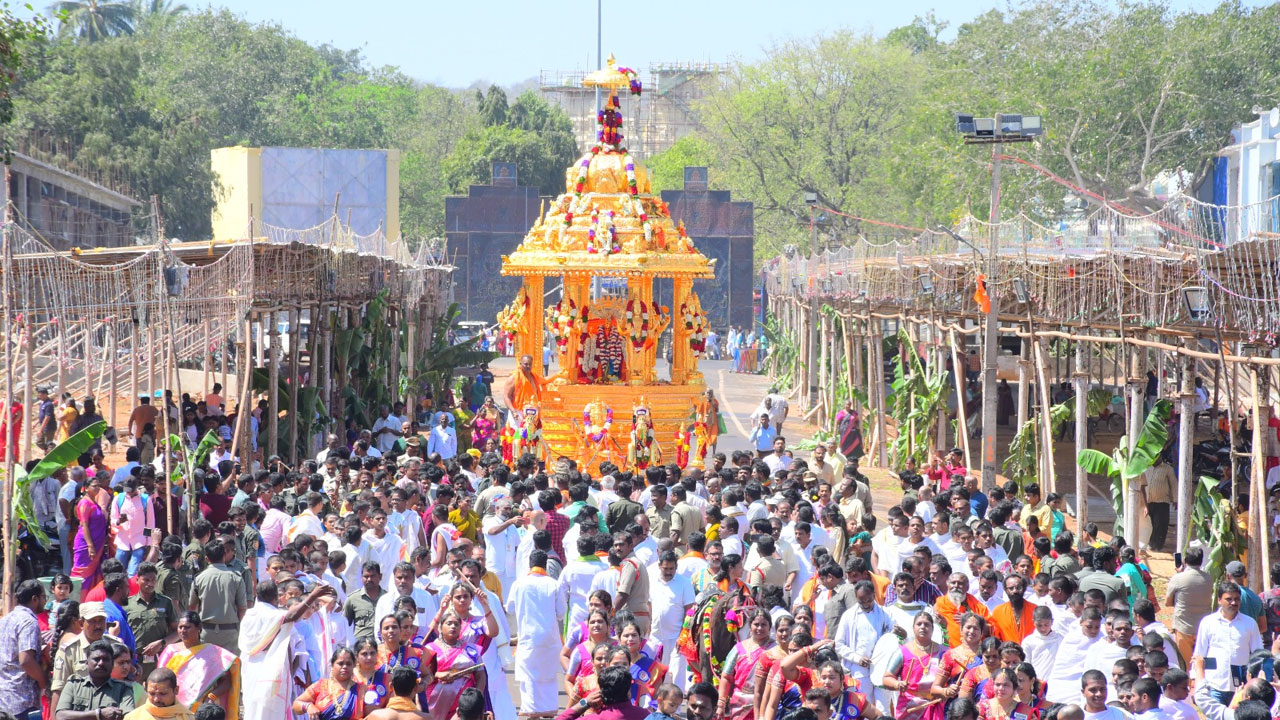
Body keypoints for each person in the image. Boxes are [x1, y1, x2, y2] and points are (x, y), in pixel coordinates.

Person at [239, 580, 336, 720]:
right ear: (276, 597)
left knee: (253, 709)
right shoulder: (270, 614)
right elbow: (292, 616)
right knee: (270, 711)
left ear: (257, 595)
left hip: (251, 671)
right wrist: (313, 596)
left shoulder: (249, 615)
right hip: (268, 673)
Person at [507, 550, 566, 715]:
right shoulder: (553, 584)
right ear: (545, 564)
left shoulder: (519, 584)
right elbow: (561, 612)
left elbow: (510, 609)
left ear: (529, 564)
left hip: (528, 638)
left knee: (529, 675)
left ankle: (532, 710)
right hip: (550, 638)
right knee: (549, 675)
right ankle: (549, 709)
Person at [1192, 581, 1262, 706]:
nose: (1233, 603)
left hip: (1241, 688)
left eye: (1236, 599)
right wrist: (1194, 678)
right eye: (1229, 599)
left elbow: (1257, 654)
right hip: (1214, 685)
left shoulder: (1250, 623)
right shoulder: (1208, 623)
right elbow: (1199, 653)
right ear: (1219, 600)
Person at [156, 612, 239, 718]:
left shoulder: (212, 652)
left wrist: (212, 696)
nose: (182, 631)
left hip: (205, 710)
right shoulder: (171, 651)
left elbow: (227, 681)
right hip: (175, 708)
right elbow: (159, 681)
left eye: (187, 627)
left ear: (199, 627)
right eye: (180, 627)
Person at [422, 606, 488, 720]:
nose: (453, 626)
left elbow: (481, 675)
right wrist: (438, 674)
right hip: (434, 702)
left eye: (456, 624)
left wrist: (475, 699)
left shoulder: (470, 649)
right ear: (440, 627)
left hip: (463, 705)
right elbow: (420, 674)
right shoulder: (430, 649)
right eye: (449, 623)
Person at [882, 612, 948, 720]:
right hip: (909, 706)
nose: (923, 627)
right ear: (913, 628)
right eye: (919, 624)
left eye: (926, 624)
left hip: (936, 705)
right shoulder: (902, 652)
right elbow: (886, 678)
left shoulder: (943, 652)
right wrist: (897, 684)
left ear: (932, 628)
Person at [0, 579, 48, 718]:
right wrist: (43, 681)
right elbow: (26, 660)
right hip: (22, 701)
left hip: (3, 698)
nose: (45, 601)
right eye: (44, 597)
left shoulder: (5, 619)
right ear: (35, 599)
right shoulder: (29, 622)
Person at [56, 639, 137, 719]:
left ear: (112, 664)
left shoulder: (123, 689)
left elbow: (128, 717)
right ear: (87, 663)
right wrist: (98, 714)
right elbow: (60, 716)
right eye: (96, 659)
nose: (101, 663)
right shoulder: (73, 685)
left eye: (105, 659)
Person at [718, 609, 775, 720]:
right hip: (740, 703)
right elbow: (726, 677)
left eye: (763, 624)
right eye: (756, 624)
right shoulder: (739, 648)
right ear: (750, 626)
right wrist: (721, 703)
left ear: (769, 627)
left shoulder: (776, 649)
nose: (759, 628)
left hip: (767, 701)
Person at [1163, 546, 1213, 665]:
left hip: (1183, 627)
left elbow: (1167, 602)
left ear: (1185, 561)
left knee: (1185, 664)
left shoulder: (1178, 578)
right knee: (1202, 663)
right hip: (1202, 628)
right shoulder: (1209, 578)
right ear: (1201, 561)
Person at [292, 646, 366, 720]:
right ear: (332, 665)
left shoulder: (362, 690)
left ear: (353, 666)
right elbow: (296, 704)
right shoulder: (321, 686)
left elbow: (372, 714)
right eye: (340, 663)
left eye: (348, 664)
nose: (345, 666)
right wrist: (308, 706)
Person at [553, 665, 650, 720]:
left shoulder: (594, 719)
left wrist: (584, 702)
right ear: (629, 691)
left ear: (601, 692)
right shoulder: (646, 715)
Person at [124, 668, 196, 720]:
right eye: (152, 693)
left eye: (162, 693)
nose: (156, 699)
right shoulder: (133, 717)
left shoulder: (188, 717)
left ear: (176, 690)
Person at [503, 355, 548, 421]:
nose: (528, 366)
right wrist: (513, 411)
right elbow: (506, 396)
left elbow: (546, 381)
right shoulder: (513, 378)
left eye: (530, 364)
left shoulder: (534, 377)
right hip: (518, 412)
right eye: (526, 364)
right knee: (517, 431)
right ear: (520, 363)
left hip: (532, 412)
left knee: (530, 431)